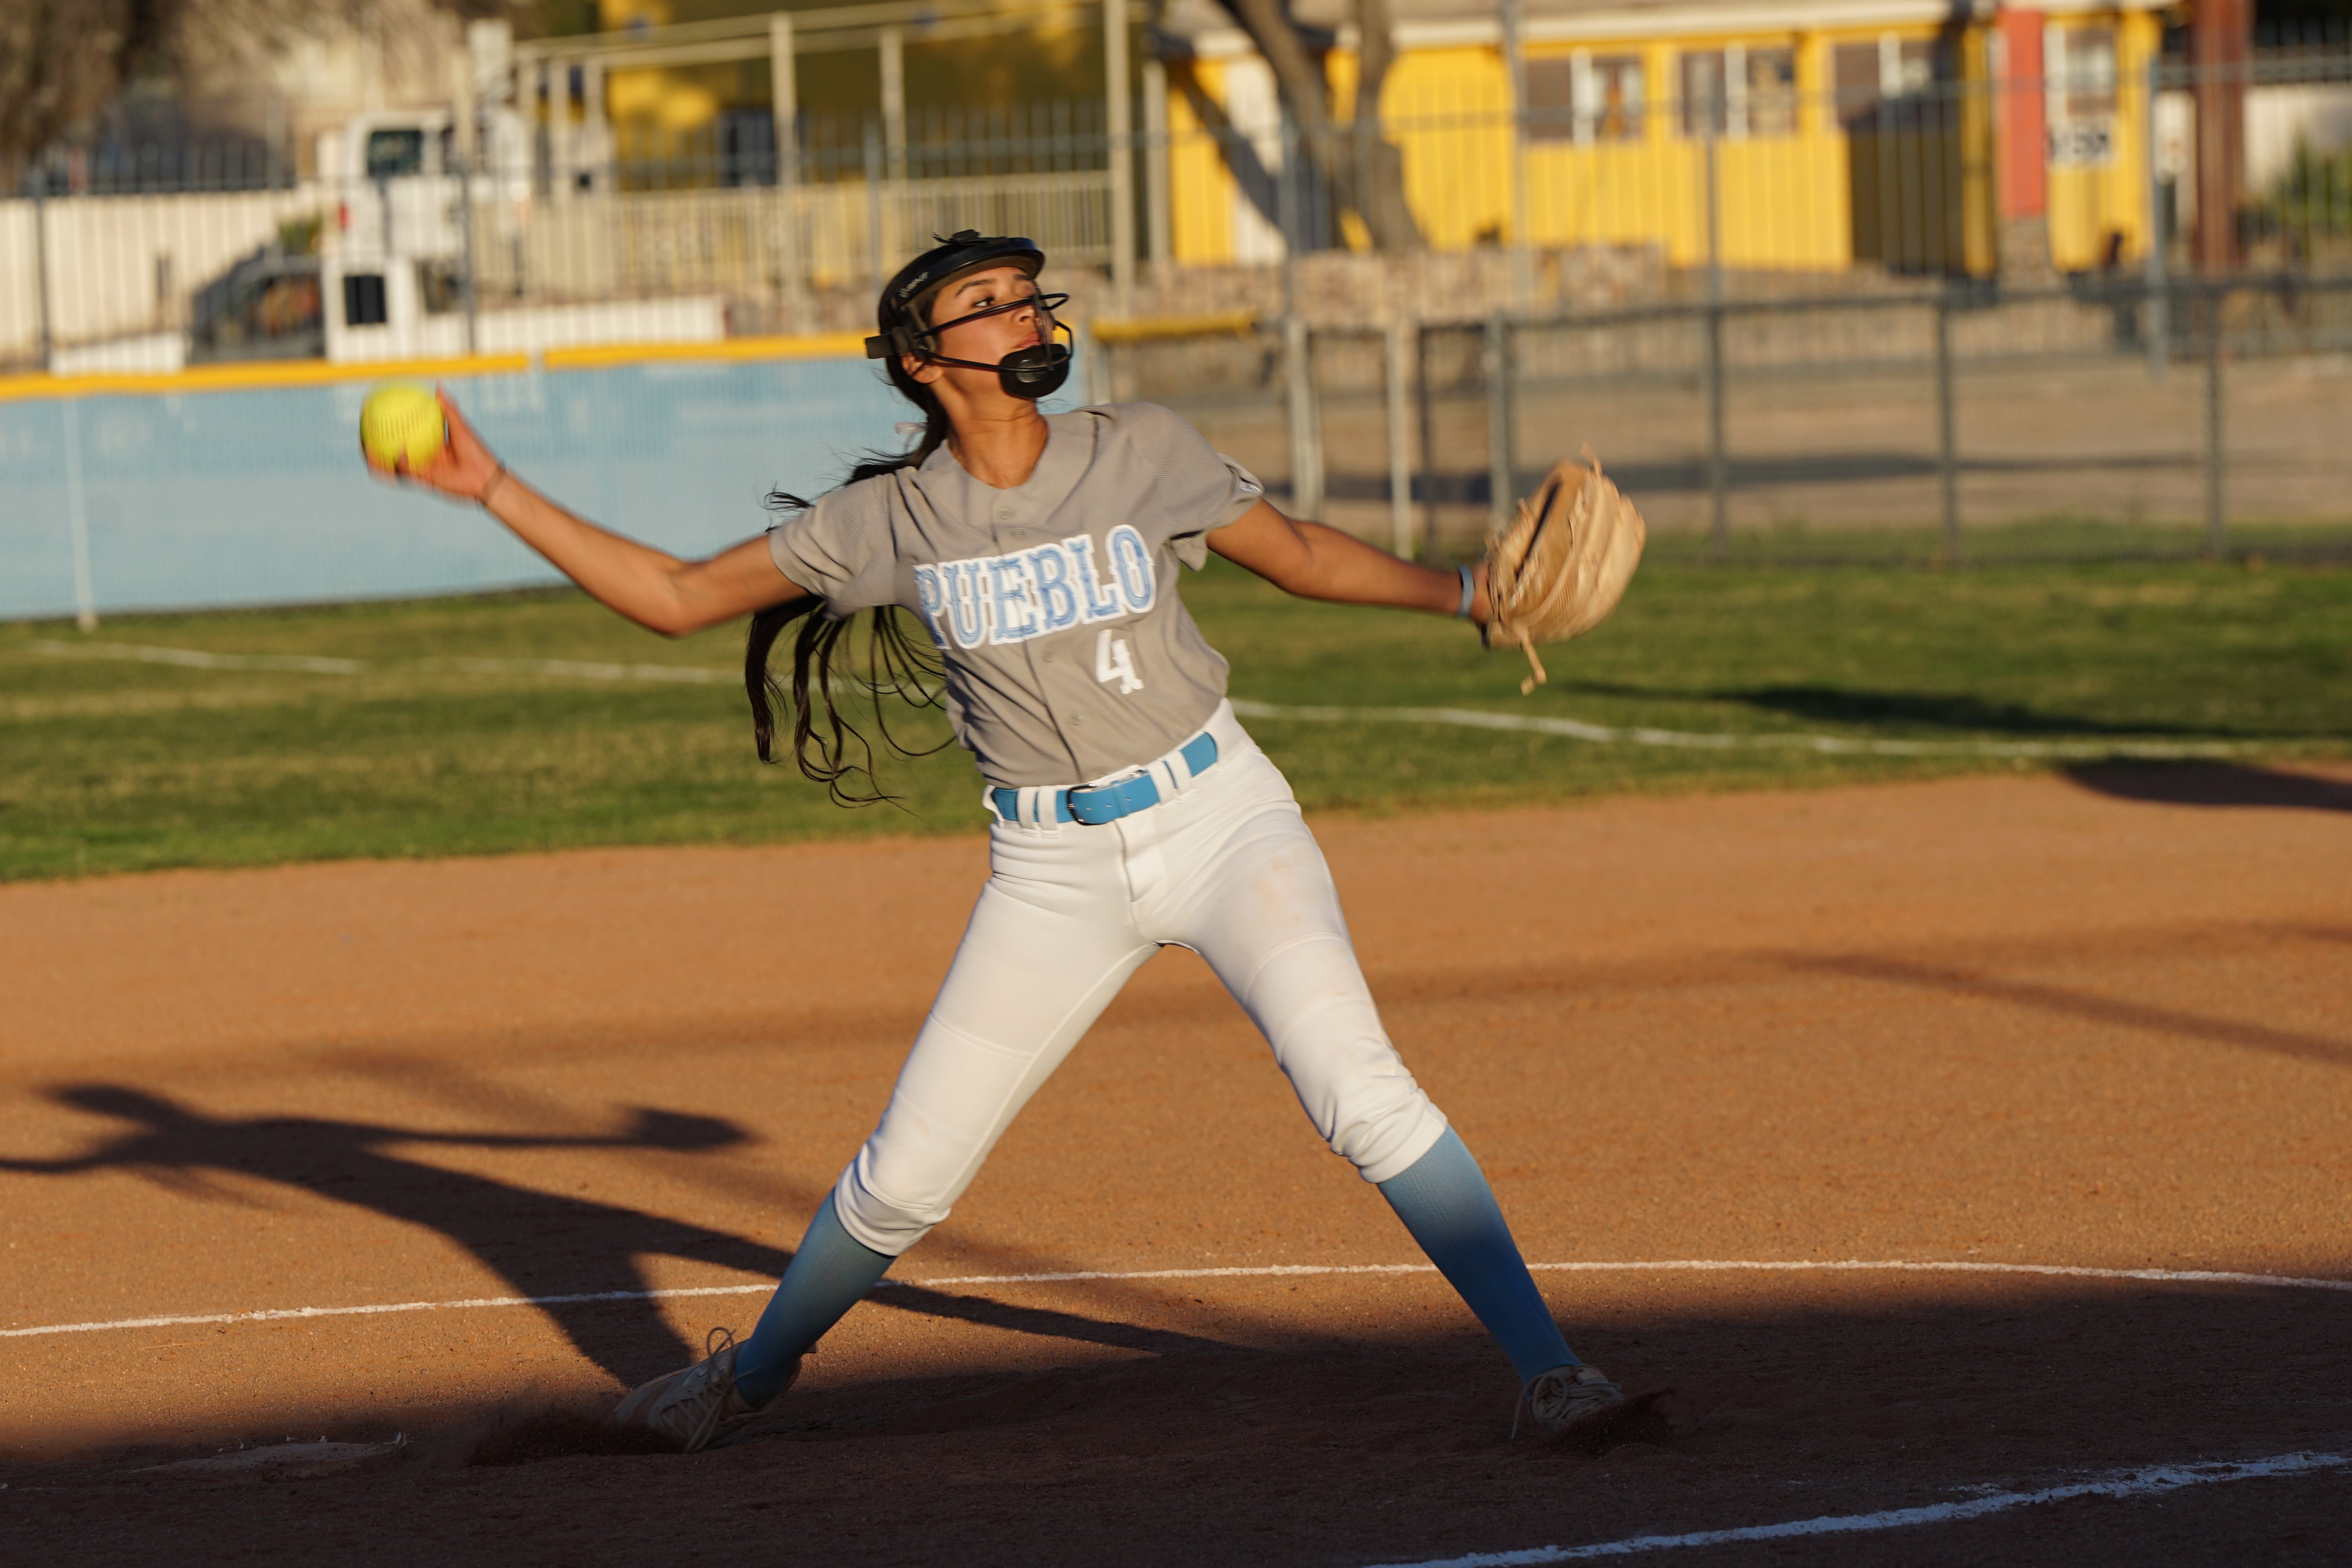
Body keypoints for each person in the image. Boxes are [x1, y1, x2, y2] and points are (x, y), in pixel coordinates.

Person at [369, 230, 1629, 1454]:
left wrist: (1470, 594)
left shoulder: (1140, 449)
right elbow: (676, 599)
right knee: (905, 1180)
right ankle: (743, 1382)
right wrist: (492, 487)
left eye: (1032, 295)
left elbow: (1295, 556)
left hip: (1222, 820)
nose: (1029, 314)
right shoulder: (893, 521)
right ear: (921, 356)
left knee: (1362, 1095)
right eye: (991, 300)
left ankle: (1554, 1375)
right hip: (1050, 873)